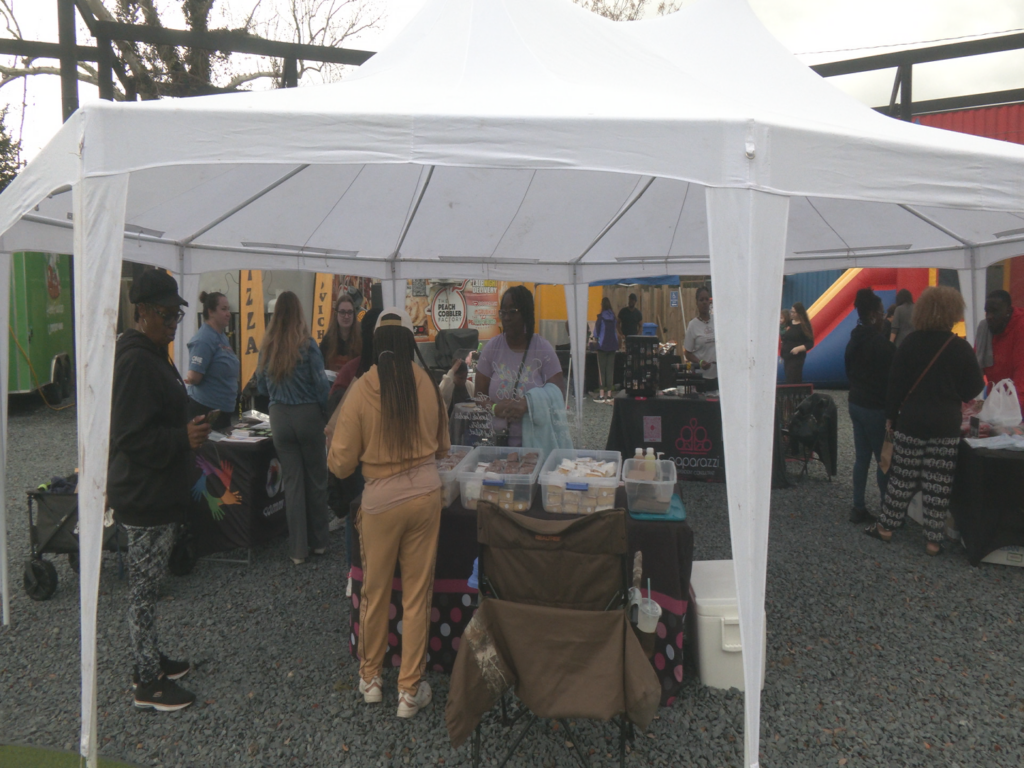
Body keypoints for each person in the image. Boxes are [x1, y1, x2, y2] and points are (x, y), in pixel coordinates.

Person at [328, 307, 449, 719]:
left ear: (376, 343)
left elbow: (341, 464)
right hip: (425, 497)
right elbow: (443, 447)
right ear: (409, 343)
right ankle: (409, 692)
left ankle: (371, 680)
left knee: (375, 592)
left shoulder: (363, 387)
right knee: (417, 595)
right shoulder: (426, 382)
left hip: (379, 504)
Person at [108, 269, 211, 712]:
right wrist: (180, 439)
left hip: (156, 492)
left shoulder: (153, 355)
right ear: (143, 312)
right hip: (144, 495)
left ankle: (149, 660)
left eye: (177, 315)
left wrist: (194, 421)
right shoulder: (135, 361)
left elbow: (165, 410)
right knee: (143, 593)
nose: (173, 323)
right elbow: (130, 436)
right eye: (167, 315)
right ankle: (147, 683)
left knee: (148, 588)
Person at [866, 286, 984, 556]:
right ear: (953, 312)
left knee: (902, 477)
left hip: (912, 421)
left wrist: (891, 417)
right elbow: (973, 389)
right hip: (945, 424)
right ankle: (933, 541)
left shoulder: (910, 343)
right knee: (938, 483)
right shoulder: (960, 347)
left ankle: (886, 527)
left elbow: (895, 386)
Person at [257, 291, 331, 565]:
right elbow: (321, 385)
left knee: (292, 483)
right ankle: (319, 542)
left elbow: (261, 386)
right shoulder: (308, 345)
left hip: (279, 416)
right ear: (300, 313)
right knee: (316, 479)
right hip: (307, 414)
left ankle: (297, 550)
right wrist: (326, 414)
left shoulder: (268, 347)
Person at [475, 286, 565, 447]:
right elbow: (478, 395)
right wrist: (494, 408)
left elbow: (558, 395)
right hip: (498, 443)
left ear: (526, 314)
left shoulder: (542, 349)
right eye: (503, 312)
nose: (506, 318)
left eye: (512, 311)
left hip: (535, 445)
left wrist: (529, 403)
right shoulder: (492, 348)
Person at [844, 288, 896, 524]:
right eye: (882, 313)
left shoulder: (853, 339)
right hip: (876, 408)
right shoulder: (882, 346)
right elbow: (893, 380)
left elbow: (848, 370)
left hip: (855, 403)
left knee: (861, 458)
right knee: (884, 460)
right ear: (874, 315)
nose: (885, 317)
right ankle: (887, 510)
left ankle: (858, 506)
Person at [184, 291, 239, 431]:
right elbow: (194, 376)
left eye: (228, 309)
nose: (228, 314)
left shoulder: (221, 336)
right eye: (223, 309)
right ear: (211, 312)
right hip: (206, 410)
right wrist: (191, 378)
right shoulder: (204, 338)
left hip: (223, 411)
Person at [977, 289, 1024, 410]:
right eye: (987, 311)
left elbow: (1021, 376)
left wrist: (1011, 409)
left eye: (995, 311)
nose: (989, 317)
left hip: (1017, 405)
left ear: (1008, 311)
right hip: (997, 402)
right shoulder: (985, 330)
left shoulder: (1020, 328)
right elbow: (973, 368)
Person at [683, 285, 717, 391]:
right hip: (701, 378)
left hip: (718, 377)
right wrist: (700, 362)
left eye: (707, 299)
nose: (704, 302)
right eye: (701, 300)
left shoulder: (717, 321)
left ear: (710, 302)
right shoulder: (693, 325)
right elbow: (687, 353)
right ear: (697, 303)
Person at [320, 292, 362, 372]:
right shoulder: (327, 341)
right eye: (342, 312)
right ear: (336, 314)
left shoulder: (361, 339)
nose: (346, 316)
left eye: (349, 312)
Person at [781, 302, 815, 384]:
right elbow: (785, 338)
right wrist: (782, 352)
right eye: (791, 311)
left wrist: (798, 349)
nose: (791, 314)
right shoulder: (789, 323)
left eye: (794, 312)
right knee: (788, 377)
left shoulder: (804, 325)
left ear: (799, 313)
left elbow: (810, 343)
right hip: (787, 355)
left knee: (793, 377)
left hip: (797, 357)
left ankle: (795, 391)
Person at [593, 297, 619, 402]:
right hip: (613, 346)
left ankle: (601, 395)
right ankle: (609, 395)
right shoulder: (614, 318)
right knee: (609, 371)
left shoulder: (601, 318)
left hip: (602, 346)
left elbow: (595, 333)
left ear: (602, 305)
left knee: (601, 371)